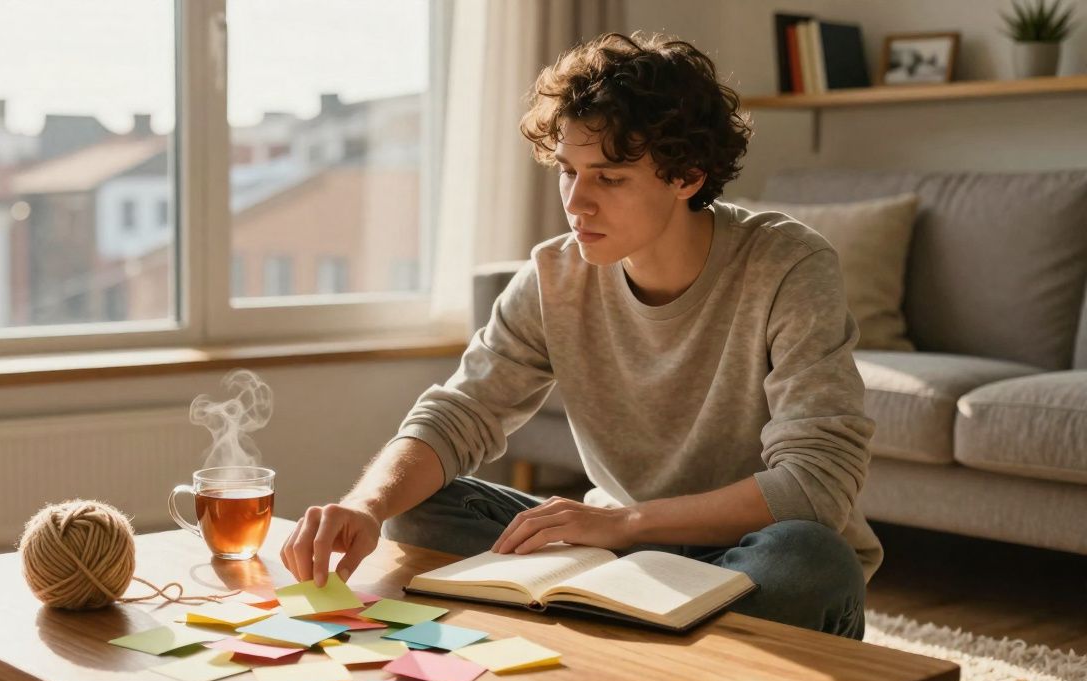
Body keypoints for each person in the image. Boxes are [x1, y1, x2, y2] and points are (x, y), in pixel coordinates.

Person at [280, 31, 881, 643]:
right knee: (416, 504)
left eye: (610, 177)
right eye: (568, 171)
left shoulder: (788, 264)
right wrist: (365, 506)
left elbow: (816, 484)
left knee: (810, 565)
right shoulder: (554, 274)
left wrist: (622, 523)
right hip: (617, 552)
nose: (577, 202)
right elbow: (460, 412)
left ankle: (613, 628)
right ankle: (646, 633)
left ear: (688, 176)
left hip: (742, 553)